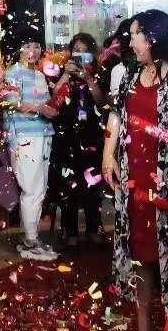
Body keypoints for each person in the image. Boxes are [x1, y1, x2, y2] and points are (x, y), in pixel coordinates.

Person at [101, 10, 168, 331]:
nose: (130, 42)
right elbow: (116, 116)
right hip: (133, 176)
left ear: (154, 38)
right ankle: (143, 321)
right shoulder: (130, 75)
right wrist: (108, 154)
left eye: (136, 35)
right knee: (139, 251)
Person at [49, 32, 106, 248]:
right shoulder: (62, 72)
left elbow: (102, 101)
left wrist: (88, 78)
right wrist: (66, 75)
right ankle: (70, 230)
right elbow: (55, 99)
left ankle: (94, 227)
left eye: (85, 51)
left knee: (93, 184)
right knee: (69, 184)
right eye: (76, 50)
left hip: (92, 135)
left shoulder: (99, 72)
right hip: (67, 136)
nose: (80, 55)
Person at [3, 40, 58, 261]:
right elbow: (10, 102)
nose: (32, 51)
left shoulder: (39, 75)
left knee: (39, 187)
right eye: (27, 46)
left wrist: (50, 109)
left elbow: (47, 103)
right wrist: (40, 108)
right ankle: (30, 240)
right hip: (24, 136)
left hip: (44, 133)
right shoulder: (13, 73)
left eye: (36, 46)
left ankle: (32, 237)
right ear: (19, 48)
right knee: (31, 188)